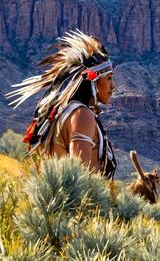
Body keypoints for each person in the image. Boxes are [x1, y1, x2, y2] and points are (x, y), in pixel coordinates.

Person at [6, 30, 119, 177]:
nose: (113, 86)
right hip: (73, 193)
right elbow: (79, 177)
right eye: (109, 78)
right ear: (93, 80)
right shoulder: (81, 116)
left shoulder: (63, 112)